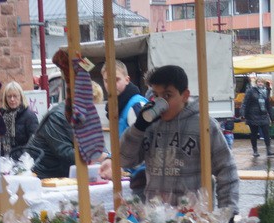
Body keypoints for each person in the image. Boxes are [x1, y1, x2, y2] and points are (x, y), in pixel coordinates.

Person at [120, 64, 239, 213]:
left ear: (185, 95)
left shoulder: (204, 126)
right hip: (156, 216)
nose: (160, 102)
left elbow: (226, 168)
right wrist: (138, 128)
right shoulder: (149, 126)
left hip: (192, 218)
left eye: (167, 96)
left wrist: (228, 211)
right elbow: (125, 161)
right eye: (156, 95)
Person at [27, 81, 110, 179]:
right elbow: (64, 151)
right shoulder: (57, 116)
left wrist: (107, 156)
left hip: (66, 172)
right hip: (46, 174)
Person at [101, 60, 148, 199]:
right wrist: (111, 159)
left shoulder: (136, 105)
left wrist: (120, 165)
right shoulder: (118, 106)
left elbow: (146, 146)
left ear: (127, 80)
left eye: (116, 80)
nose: (111, 85)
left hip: (143, 178)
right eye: (107, 81)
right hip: (132, 176)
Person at [0, 81, 38, 158]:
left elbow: (34, 143)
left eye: (15, 96)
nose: (12, 99)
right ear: (5, 98)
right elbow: (3, 146)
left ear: (21, 97)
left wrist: (14, 156)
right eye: (9, 96)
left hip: (24, 161)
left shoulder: (30, 116)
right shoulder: (4, 116)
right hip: (7, 161)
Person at [240, 73, 274, 158]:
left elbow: (268, 105)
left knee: (266, 133)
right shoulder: (251, 91)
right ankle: (255, 150)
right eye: (259, 82)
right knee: (254, 134)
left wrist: (272, 117)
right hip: (253, 115)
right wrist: (242, 113)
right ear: (256, 83)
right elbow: (245, 103)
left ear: (264, 83)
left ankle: (269, 150)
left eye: (261, 82)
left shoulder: (266, 91)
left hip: (263, 115)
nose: (260, 83)